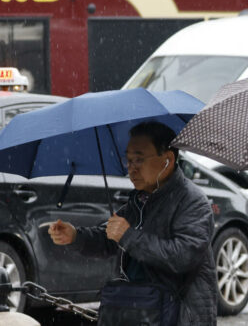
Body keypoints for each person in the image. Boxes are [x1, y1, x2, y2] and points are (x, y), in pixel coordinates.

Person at [48, 121, 217, 325]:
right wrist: (75, 236)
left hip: (178, 315)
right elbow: (110, 237)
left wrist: (128, 236)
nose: (131, 169)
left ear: (168, 160)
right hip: (142, 311)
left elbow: (181, 257)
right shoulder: (139, 200)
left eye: (138, 159)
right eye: (128, 160)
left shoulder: (192, 201)